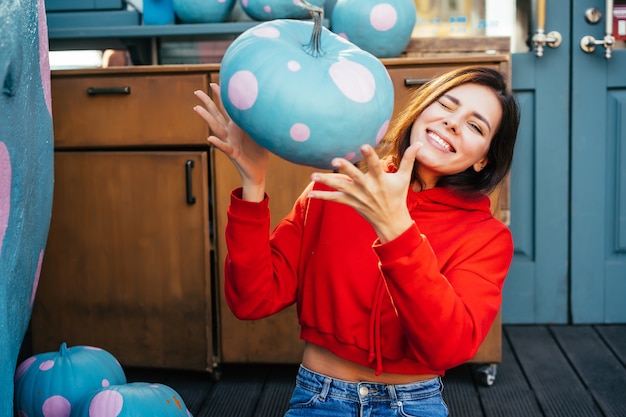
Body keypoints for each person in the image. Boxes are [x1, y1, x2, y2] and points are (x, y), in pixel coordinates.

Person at [193, 66, 520, 417]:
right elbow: (252, 301)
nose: (453, 123)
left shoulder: (487, 237)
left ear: (484, 157)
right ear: (422, 109)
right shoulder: (334, 192)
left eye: (475, 126)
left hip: (414, 404)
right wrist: (253, 185)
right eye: (446, 105)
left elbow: (447, 349)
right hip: (319, 397)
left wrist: (397, 232)